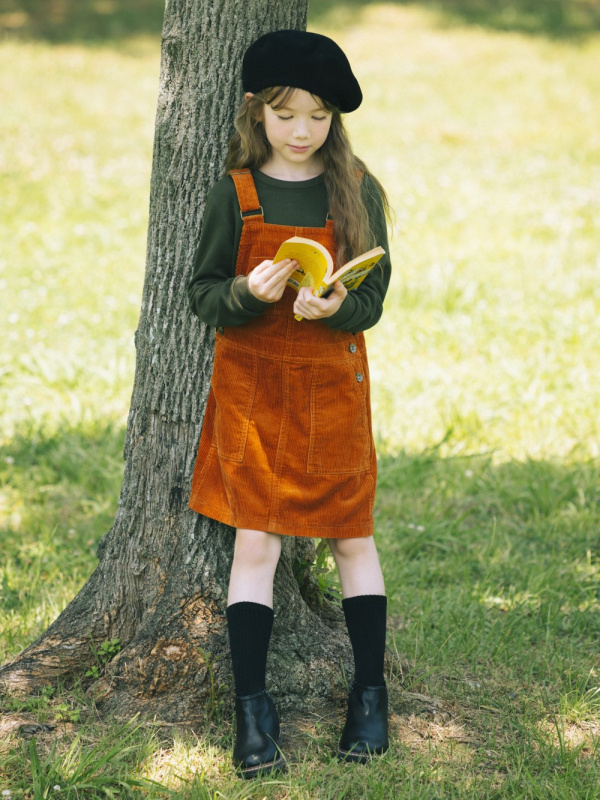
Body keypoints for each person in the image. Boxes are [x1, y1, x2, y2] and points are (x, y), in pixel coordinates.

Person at [187, 29, 392, 779]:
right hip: (254, 394)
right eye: (286, 115)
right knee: (256, 546)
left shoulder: (355, 187)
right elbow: (202, 291)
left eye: (319, 117)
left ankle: (370, 695)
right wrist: (248, 292)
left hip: (333, 388)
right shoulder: (235, 193)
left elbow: (370, 297)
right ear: (256, 113)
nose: (303, 132)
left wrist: (333, 305)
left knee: (351, 540)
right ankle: (253, 710)